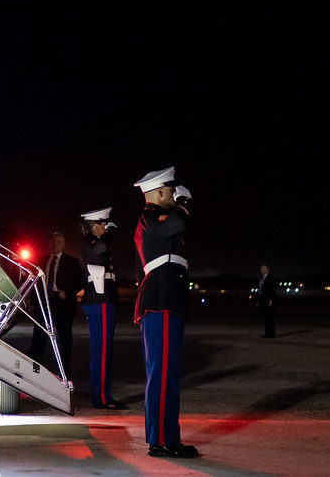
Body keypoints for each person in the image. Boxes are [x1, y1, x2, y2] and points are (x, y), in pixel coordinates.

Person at [132, 166, 198, 459]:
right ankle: (160, 441)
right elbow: (175, 225)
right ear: (159, 192)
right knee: (161, 374)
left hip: (167, 301)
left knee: (167, 374)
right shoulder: (150, 217)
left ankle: (167, 437)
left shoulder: (157, 220)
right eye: (171, 190)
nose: (174, 194)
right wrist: (185, 205)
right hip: (160, 301)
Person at [80, 207, 126, 410]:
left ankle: (102, 395)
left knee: (102, 351)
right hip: (100, 302)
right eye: (104, 225)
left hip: (102, 301)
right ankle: (101, 398)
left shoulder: (94, 243)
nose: (106, 227)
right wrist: (111, 234)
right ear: (96, 225)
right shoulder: (92, 243)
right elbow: (101, 249)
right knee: (101, 351)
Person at [27, 232, 81, 376]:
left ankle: (65, 374)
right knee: (39, 337)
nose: (54, 245)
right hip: (44, 302)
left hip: (62, 303)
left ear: (64, 245)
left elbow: (80, 282)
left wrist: (68, 293)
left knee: (64, 340)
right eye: (53, 242)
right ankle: (33, 370)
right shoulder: (42, 260)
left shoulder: (72, 262)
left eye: (58, 242)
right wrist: (34, 302)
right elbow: (35, 283)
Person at [258, 263, 277, 338]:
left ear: (268, 270)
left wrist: (271, 300)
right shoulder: (261, 278)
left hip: (268, 300)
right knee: (265, 317)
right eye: (261, 268)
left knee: (270, 317)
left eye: (264, 268)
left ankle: (272, 333)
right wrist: (258, 300)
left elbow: (273, 290)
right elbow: (260, 290)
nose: (262, 270)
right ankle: (267, 333)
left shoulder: (271, 278)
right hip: (262, 300)